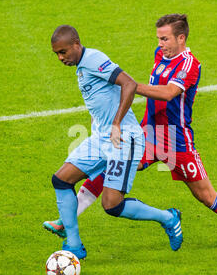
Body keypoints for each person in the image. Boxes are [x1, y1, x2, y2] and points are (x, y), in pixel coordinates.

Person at [45, 16, 217, 255]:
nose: (160, 43)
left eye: (165, 38)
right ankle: (68, 220)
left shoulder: (189, 64)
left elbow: (168, 93)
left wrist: (129, 85)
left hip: (176, 142)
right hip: (148, 134)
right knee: (109, 168)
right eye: (158, 38)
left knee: (207, 197)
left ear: (181, 38)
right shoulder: (160, 55)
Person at [46, 25, 183, 260]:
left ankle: (169, 218)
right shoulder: (81, 66)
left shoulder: (93, 59)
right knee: (60, 179)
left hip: (124, 139)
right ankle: (74, 244)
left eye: (64, 52)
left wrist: (117, 123)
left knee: (112, 205)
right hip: (101, 139)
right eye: (57, 54)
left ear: (76, 44)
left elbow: (129, 84)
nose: (60, 58)